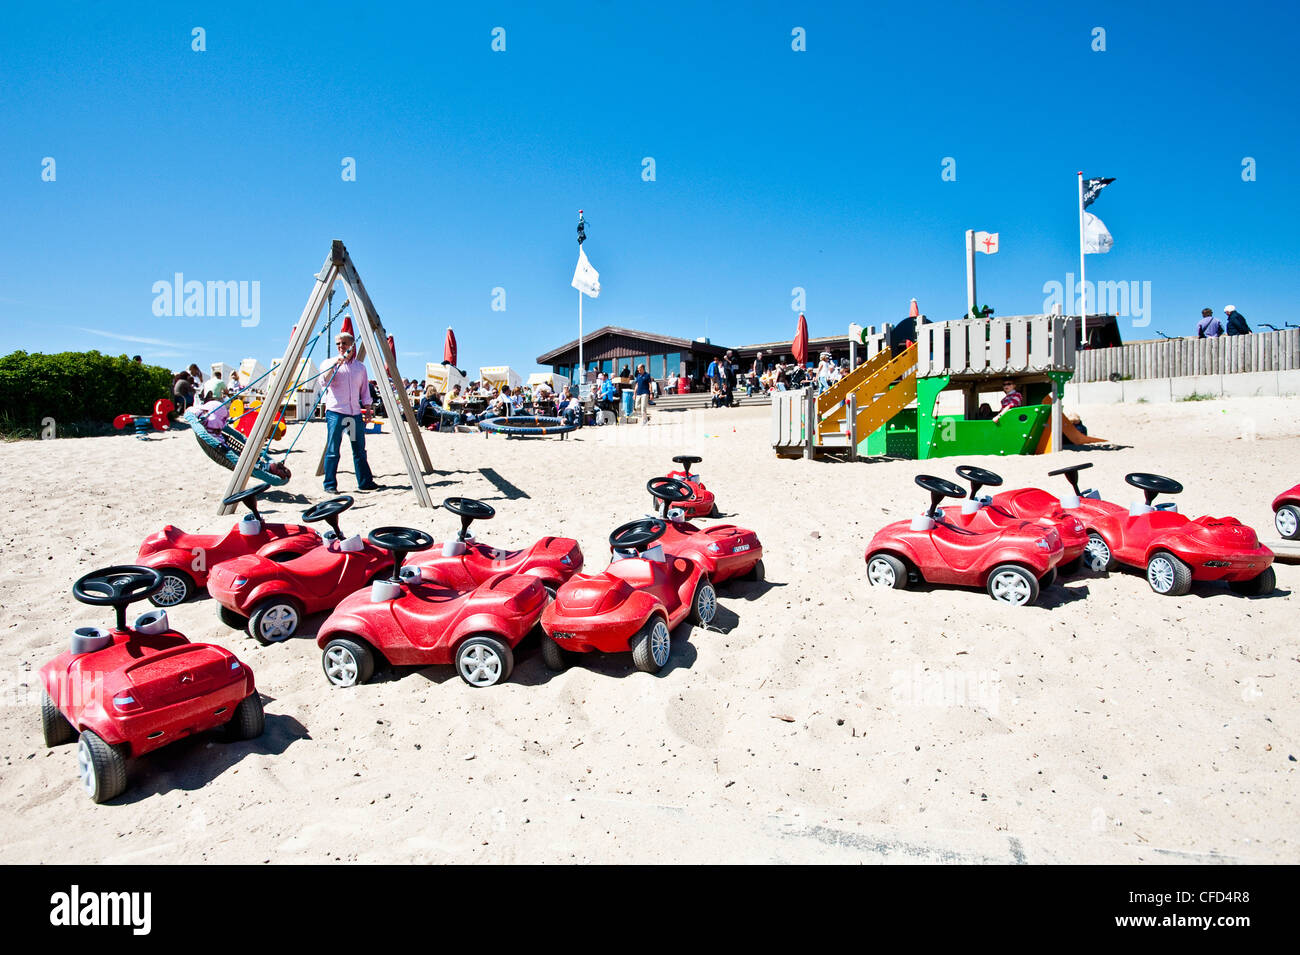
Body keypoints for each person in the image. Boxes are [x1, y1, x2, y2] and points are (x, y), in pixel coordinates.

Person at [321, 330, 377, 493]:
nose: (340, 346)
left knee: (359, 449)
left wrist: (367, 409)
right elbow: (323, 382)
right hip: (336, 412)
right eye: (338, 343)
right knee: (333, 450)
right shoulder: (329, 363)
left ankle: (365, 482)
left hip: (354, 414)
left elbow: (365, 390)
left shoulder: (360, 368)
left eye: (344, 343)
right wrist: (335, 366)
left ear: (352, 346)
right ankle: (330, 485)